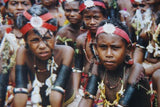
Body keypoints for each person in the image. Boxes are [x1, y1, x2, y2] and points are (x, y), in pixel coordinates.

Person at [78, 19, 151, 107]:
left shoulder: (135, 70)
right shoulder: (98, 66)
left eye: (115, 48)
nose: (108, 54)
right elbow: (87, 99)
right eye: (103, 47)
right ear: (96, 49)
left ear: (128, 49)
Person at [13, 4, 74, 107]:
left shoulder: (66, 52)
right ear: (25, 41)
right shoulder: (22, 53)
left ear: (55, 36)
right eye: (35, 40)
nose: (42, 46)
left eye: (47, 38)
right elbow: (20, 92)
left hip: (67, 103)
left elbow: (56, 94)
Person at [0, 0, 35, 106]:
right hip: (5, 89)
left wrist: (22, 92)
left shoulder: (40, 34)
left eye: (25, 4)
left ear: (33, 7)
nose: (20, 7)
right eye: (14, 4)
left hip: (33, 90)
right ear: (6, 9)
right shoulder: (3, 34)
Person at [74, 0, 107, 95]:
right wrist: (76, 92)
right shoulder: (81, 40)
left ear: (104, 17)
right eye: (87, 18)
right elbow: (77, 68)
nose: (92, 22)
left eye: (96, 17)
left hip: (105, 82)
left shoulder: (110, 39)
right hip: (85, 83)